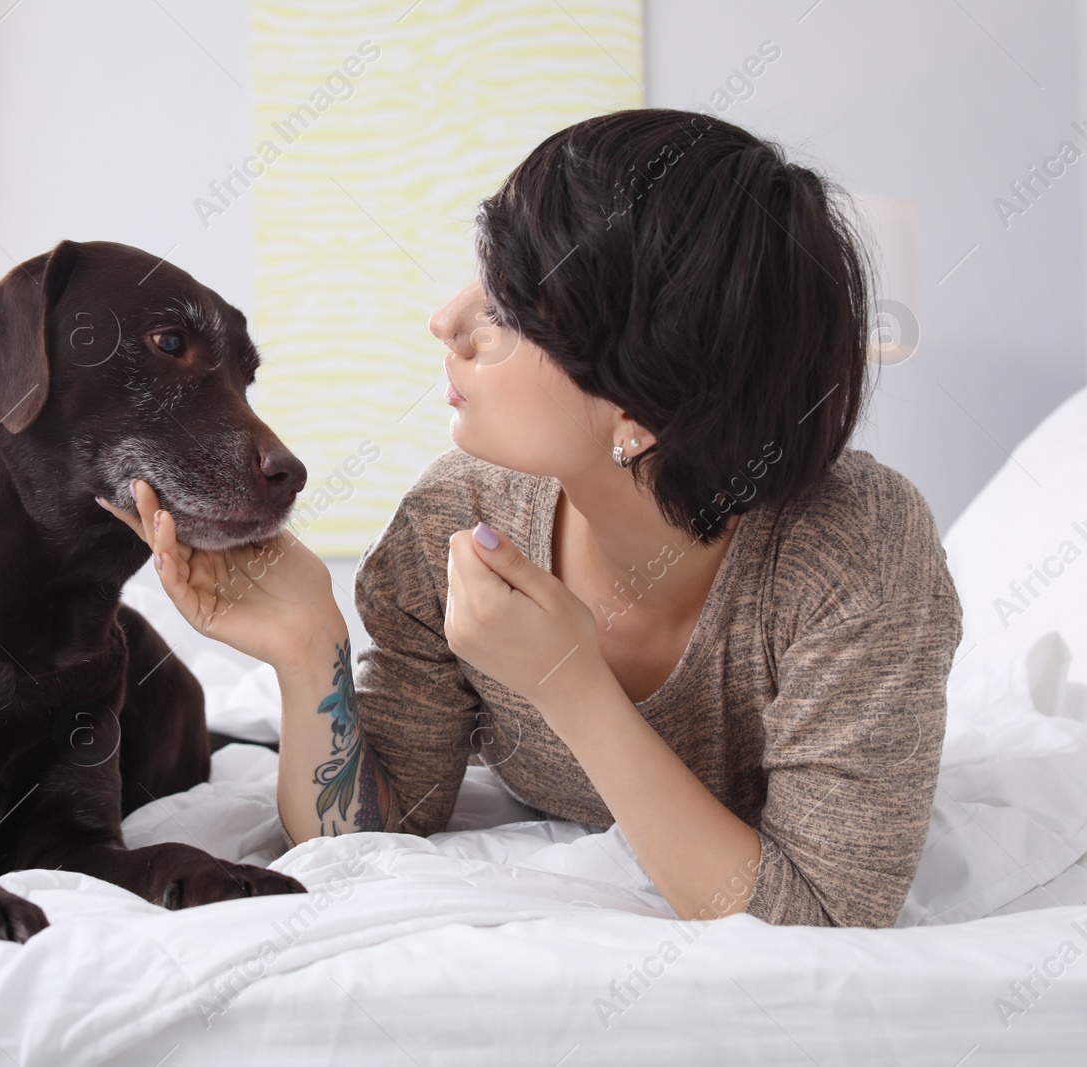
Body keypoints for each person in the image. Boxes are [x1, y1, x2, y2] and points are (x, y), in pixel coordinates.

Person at [98, 107, 962, 929]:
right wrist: (305, 646)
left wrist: (568, 683)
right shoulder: (461, 512)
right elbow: (367, 833)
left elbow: (823, 912)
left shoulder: (857, 555)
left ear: (642, 404)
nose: (447, 320)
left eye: (507, 309)